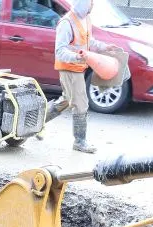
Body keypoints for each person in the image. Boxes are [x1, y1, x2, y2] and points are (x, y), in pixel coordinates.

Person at [44, 0, 118, 153]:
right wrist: (78, 58)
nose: (92, 5)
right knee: (81, 104)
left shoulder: (85, 19)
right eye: (90, 2)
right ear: (83, 3)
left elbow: (88, 41)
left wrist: (104, 47)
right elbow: (60, 52)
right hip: (70, 69)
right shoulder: (66, 23)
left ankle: (36, 122)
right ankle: (79, 141)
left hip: (78, 68)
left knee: (66, 100)